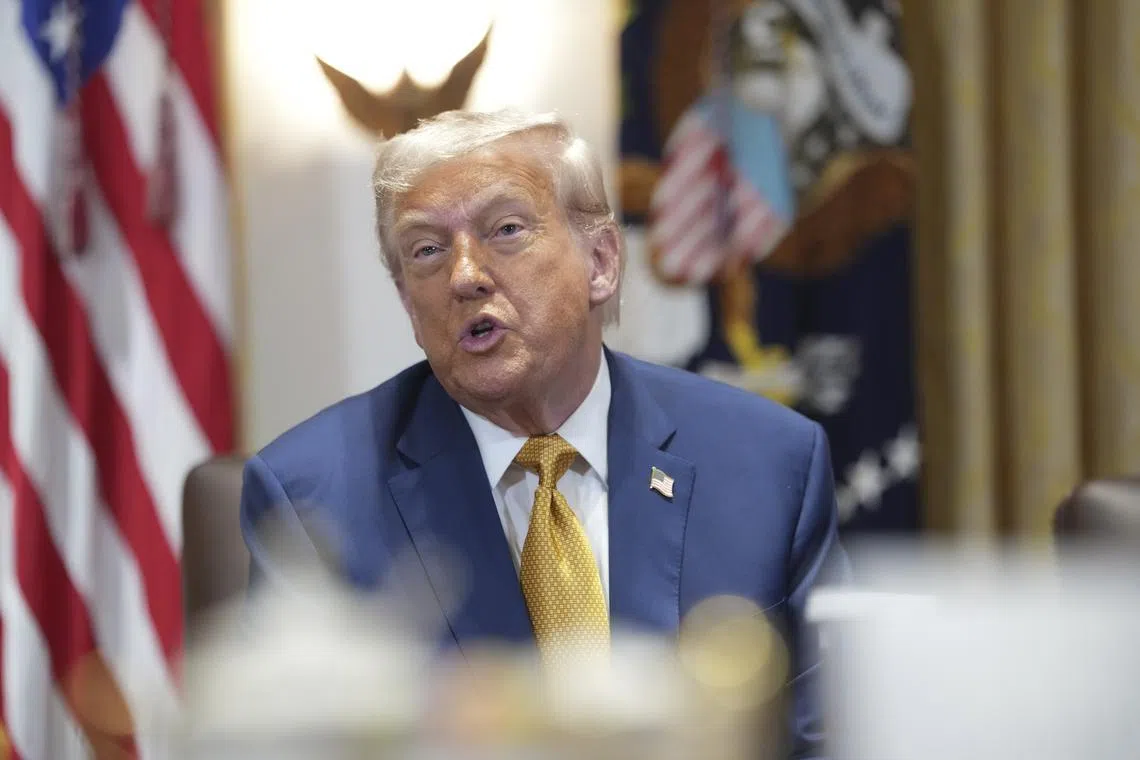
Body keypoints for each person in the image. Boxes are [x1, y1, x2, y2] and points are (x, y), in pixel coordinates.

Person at [240, 109, 847, 757]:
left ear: (602, 261)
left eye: (505, 230)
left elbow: (828, 738)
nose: (464, 274)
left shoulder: (768, 464)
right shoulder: (314, 502)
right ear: (407, 303)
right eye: (426, 250)